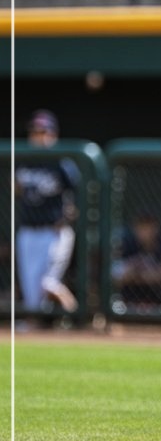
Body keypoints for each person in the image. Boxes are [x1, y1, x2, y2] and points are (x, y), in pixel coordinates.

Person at [14, 110, 79, 320]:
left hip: (53, 232)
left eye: (43, 131)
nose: (38, 135)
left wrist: (68, 217)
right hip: (28, 232)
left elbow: (79, 196)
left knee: (47, 283)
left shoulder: (61, 162)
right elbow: (17, 189)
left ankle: (77, 318)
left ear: (53, 134)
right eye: (34, 131)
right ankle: (33, 328)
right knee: (32, 294)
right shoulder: (24, 159)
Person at [112, 211, 161, 307]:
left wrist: (136, 276)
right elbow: (116, 277)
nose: (145, 231)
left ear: (156, 227)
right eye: (141, 226)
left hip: (159, 297)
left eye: (148, 226)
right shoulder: (127, 243)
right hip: (130, 297)